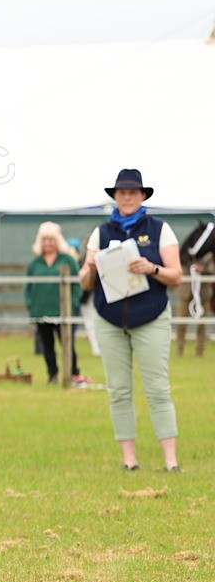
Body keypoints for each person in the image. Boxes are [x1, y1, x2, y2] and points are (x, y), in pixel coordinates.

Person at [79, 169, 183, 472]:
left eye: (133, 192)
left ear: (142, 196)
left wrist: (152, 268)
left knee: (157, 388)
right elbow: (85, 283)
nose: (126, 197)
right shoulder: (101, 232)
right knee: (119, 390)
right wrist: (90, 267)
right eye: (121, 193)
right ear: (115, 196)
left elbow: (175, 275)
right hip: (110, 320)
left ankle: (171, 460)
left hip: (151, 316)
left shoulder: (161, 229)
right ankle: (129, 460)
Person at [24, 222, 87, 385]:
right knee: (46, 346)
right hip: (41, 310)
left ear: (57, 240)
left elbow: (76, 285)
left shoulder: (67, 260)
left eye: (51, 239)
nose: (48, 243)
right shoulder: (34, 263)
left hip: (63, 311)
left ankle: (73, 374)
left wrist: (72, 304)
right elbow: (28, 287)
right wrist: (31, 305)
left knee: (67, 344)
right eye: (44, 239)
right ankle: (52, 374)